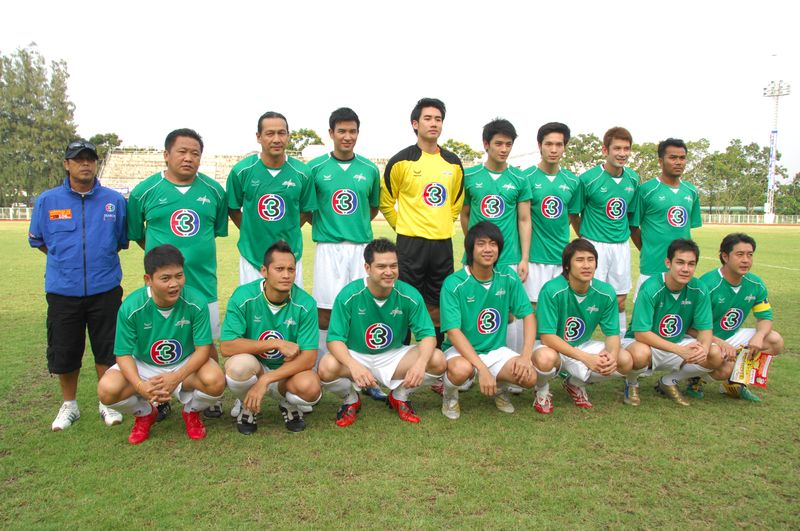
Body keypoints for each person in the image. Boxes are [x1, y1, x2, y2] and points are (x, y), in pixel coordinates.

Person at [127, 128, 228, 419]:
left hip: (203, 283)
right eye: (182, 152)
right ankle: (159, 397)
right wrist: (164, 263)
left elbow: (214, 231)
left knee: (206, 343)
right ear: (166, 154)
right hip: (161, 288)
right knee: (157, 341)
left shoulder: (214, 191)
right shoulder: (144, 191)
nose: (188, 158)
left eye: (195, 153)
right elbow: (137, 234)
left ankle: (209, 397)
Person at [29, 139, 128, 431]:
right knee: (66, 351)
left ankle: (106, 401)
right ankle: (69, 405)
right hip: (63, 291)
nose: (85, 163)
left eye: (90, 158)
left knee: (107, 349)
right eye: (78, 158)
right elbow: (40, 241)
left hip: (105, 289)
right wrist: (67, 263)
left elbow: (120, 241)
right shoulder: (48, 201)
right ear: (67, 164)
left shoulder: (114, 201)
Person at [97, 245, 226, 444]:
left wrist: (176, 377)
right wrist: (140, 385)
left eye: (179, 276)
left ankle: (191, 412)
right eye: (165, 278)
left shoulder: (196, 301)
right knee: (106, 390)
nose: (174, 284)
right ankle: (145, 413)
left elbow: (203, 350)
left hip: (184, 363)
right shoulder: (131, 307)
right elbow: (123, 354)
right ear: (148, 280)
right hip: (144, 365)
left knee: (216, 380)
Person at [318, 238, 446, 426]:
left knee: (437, 359)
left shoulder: (409, 294)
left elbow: (427, 335)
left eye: (393, 266)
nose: (389, 272)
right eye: (381, 266)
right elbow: (334, 339)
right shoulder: (349, 295)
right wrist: (353, 365)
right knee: (326, 366)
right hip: (357, 355)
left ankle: (400, 395)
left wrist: (420, 363)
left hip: (392, 356)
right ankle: (350, 399)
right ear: (367, 268)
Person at [306, 108, 386, 402]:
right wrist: (331, 228)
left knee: (362, 310)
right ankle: (323, 371)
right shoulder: (315, 168)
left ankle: (366, 375)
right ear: (331, 133)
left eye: (352, 131)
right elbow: (309, 210)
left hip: (360, 248)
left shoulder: (369, 169)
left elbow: (372, 207)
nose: (347, 136)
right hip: (328, 248)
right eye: (341, 131)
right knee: (325, 312)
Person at [380, 98, 465, 347]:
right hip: (410, 245)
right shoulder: (401, 161)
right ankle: (400, 354)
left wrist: (441, 224)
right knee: (404, 300)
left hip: (442, 244)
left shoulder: (453, 163)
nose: (433, 123)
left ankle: (435, 356)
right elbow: (386, 202)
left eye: (438, 119)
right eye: (428, 118)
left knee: (438, 303)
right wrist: (404, 227)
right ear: (415, 124)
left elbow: (455, 203)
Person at [220, 241, 320, 434]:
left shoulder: (306, 303)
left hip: (286, 372)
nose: (286, 275)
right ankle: (247, 406)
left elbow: (309, 358)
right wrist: (275, 343)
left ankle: (287, 403)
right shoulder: (243, 296)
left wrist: (266, 380)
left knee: (310, 388)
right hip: (255, 366)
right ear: (264, 271)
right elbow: (227, 346)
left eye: (291, 269)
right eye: (279, 269)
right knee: (238, 367)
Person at [439, 222, 536, 419]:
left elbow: (528, 315)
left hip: (495, 350)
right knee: (461, 370)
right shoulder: (454, 283)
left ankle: (500, 387)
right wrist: (482, 369)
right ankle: (449, 395)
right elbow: (453, 332)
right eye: (481, 244)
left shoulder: (507, 276)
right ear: (470, 248)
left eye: (493, 244)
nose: (488, 249)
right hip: (460, 351)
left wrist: (525, 356)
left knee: (529, 377)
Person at [532, 239, 633, 413]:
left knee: (624, 360)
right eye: (579, 260)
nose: (586, 265)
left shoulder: (606, 292)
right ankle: (542, 390)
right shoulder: (551, 290)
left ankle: (574, 383)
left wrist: (612, 357)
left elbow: (612, 334)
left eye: (590, 260)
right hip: (551, 347)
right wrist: (586, 358)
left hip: (581, 344)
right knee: (544, 359)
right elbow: (547, 337)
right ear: (567, 266)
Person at [622, 239, 722, 406]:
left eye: (691, 264)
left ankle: (669, 381)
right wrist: (680, 351)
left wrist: (703, 350)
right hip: (645, 343)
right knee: (640, 354)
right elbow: (641, 333)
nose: (686, 269)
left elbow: (705, 329)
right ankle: (631, 383)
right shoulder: (651, 287)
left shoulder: (699, 289)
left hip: (678, 343)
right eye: (680, 262)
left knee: (714, 354)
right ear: (668, 263)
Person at [461, 118, 531, 353]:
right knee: (475, 308)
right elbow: (465, 214)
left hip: (508, 257)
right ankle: (475, 360)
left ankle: (510, 363)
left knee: (510, 313)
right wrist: (473, 246)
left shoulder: (519, 178)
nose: (504, 149)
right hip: (475, 258)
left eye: (508, 144)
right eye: (498, 143)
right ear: (486, 144)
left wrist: (524, 258)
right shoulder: (470, 176)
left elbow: (524, 219)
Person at [690, 233, 784, 401]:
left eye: (750, 255)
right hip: (702, 339)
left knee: (774, 340)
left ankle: (735, 383)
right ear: (725, 257)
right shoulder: (708, 284)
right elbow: (689, 327)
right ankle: (696, 380)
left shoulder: (755, 284)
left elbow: (765, 317)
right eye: (740, 254)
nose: (746, 260)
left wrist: (759, 335)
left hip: (730, 336)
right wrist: (720, 343)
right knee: (724, 368)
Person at [227, 111, 316, 287]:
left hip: (290, 256)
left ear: (288, 136)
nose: (276, 139)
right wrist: (253, 230)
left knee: (290, 303)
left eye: (281, 133)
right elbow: (233, 208)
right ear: (258, 137)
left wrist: (287, 229)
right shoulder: (241, 171)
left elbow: (306, 211)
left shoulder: (303, 173)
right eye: (270, 133)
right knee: (253, 303)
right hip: (252, 255)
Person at [573, 127, 640, 334]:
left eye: (626, 149)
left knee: (619, 300)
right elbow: (574, 213)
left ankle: (619, 343)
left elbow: (631, 216)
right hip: (594, 245)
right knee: (587, 297)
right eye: (617, 148)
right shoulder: (588, 179)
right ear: (605, 150)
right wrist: (585, 239)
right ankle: (578, 342)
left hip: (620, 246)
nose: (622, 153)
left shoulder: (633, 179)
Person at [630, 138, 701, 298]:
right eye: (673, 157)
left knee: (678, 311)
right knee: (646, 310)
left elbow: (687, 229)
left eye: (682, 158)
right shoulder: (645, 190)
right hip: (652, 266)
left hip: (681, 268)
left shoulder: (691, 191)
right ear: (661, 161)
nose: (678, 162)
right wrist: (648, 250)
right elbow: (633, 227)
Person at [524, 122, 582, 307]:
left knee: (560, 310)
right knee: (532, 309)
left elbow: (572, 216)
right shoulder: (525, 178)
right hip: (533, 258)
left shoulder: (573, 181)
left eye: (559, 144)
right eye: (548, 144)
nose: (554, 149)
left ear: (565, 147)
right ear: (539, 145)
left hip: (561, 258)